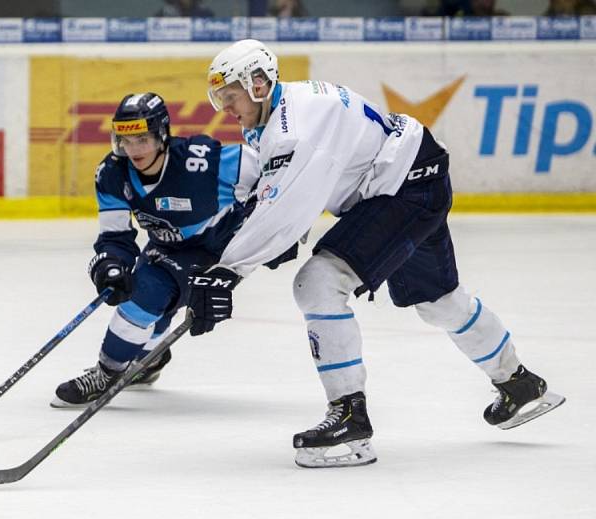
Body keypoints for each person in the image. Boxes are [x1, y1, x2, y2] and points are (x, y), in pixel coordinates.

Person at [188, 39, 565, 467]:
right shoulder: (284, 109)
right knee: (438, 302)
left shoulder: (298, 122)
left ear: (257, 83)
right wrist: (231, 252)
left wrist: (228, 272)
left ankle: (350, 416)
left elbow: (285, 209)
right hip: (414, 176)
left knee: (319, 283)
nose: (225, 109)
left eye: (230, 97)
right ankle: (519, 382)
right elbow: (271, 197)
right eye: (220, 99)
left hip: (404, 190)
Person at [51, 92, 264, 407]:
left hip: (214, 250)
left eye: (142, 139)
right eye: (125, 140)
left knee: (145, 299)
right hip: (166, 244)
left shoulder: (202, 162)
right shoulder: (112, 173)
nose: (133, 149)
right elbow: (115, 235)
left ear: (162, 135)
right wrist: (110, 265)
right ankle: (150, 359)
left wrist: (274, 229)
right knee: (152, 301)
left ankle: (107, 373)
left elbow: (270, 174)